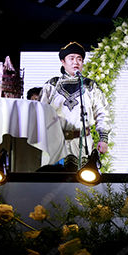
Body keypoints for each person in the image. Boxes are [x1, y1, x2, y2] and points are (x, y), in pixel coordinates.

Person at [39, 41, 111, 171]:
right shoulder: (52, 85)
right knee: (54, 178)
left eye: (79, 59)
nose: (75, 62)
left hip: (82, 142)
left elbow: (102, 112)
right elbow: (39, 112)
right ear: (63, 62)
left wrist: (103, 139)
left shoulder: (90, 86)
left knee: (83, 180)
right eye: (71, 58)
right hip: (55, 142)